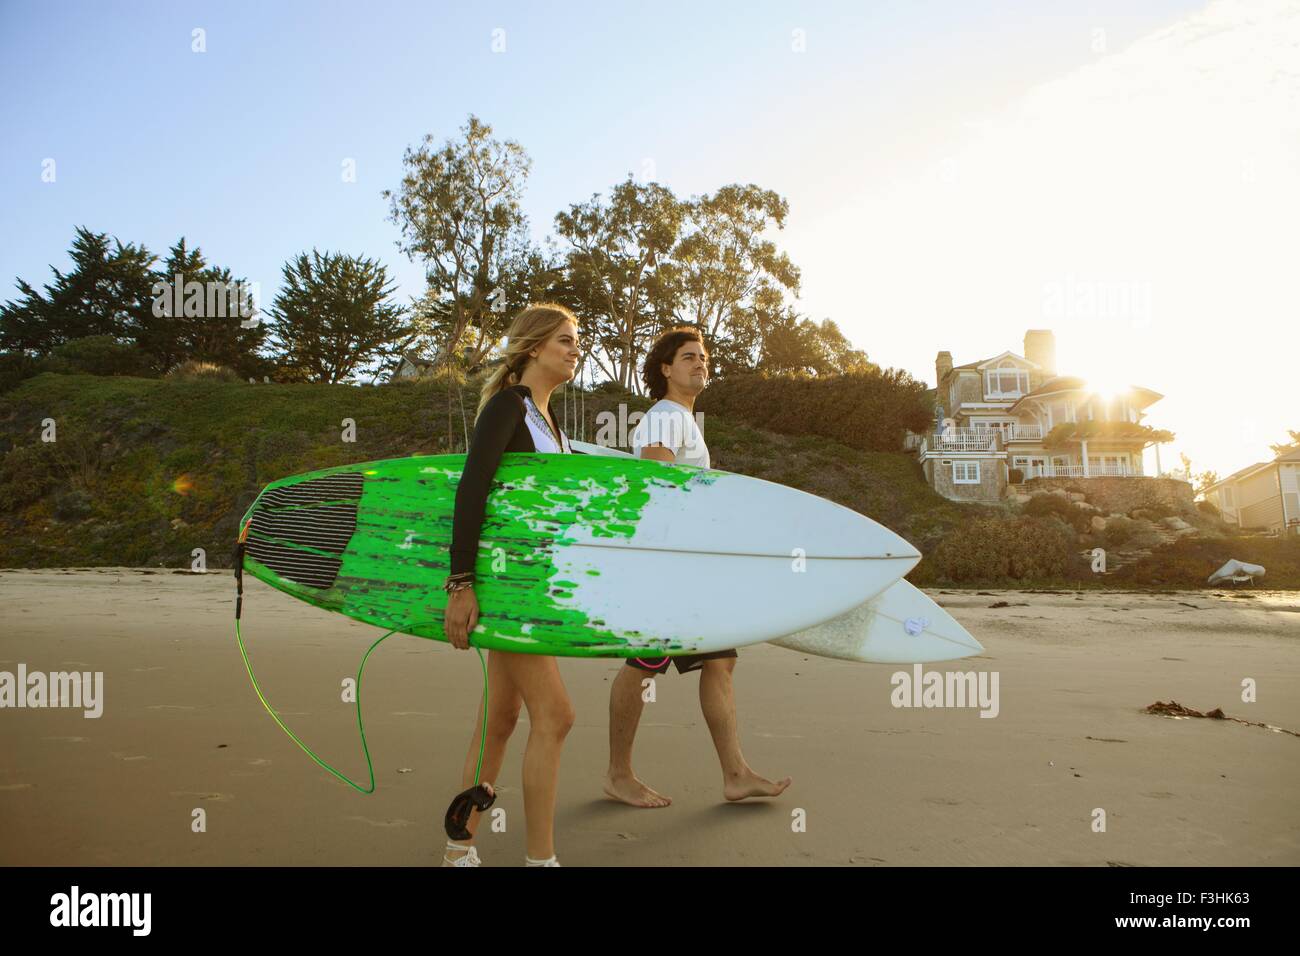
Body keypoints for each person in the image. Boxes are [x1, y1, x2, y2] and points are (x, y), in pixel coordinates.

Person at [603, 326, 791, 809]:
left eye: (704, 356)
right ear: (666, 369)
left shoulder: (683, 420)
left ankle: (735, 774)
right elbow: (659, 490)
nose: (700, 363)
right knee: (644, 664)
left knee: (719, 660)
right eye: (689, 356)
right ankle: (619, 774)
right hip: (670, 568)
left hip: (688, 568)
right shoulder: (666, 417)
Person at [441, 303, 582, 867]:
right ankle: (541, 861)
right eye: (565, 341)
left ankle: (458, 846)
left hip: (535, 585)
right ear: (533, 348)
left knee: (500, 718)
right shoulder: (507, 407)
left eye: (577, 341)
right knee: (557, 714)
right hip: (505, 586)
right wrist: (461, 585)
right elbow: (470, 493)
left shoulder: (550, 423)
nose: (576, 350)